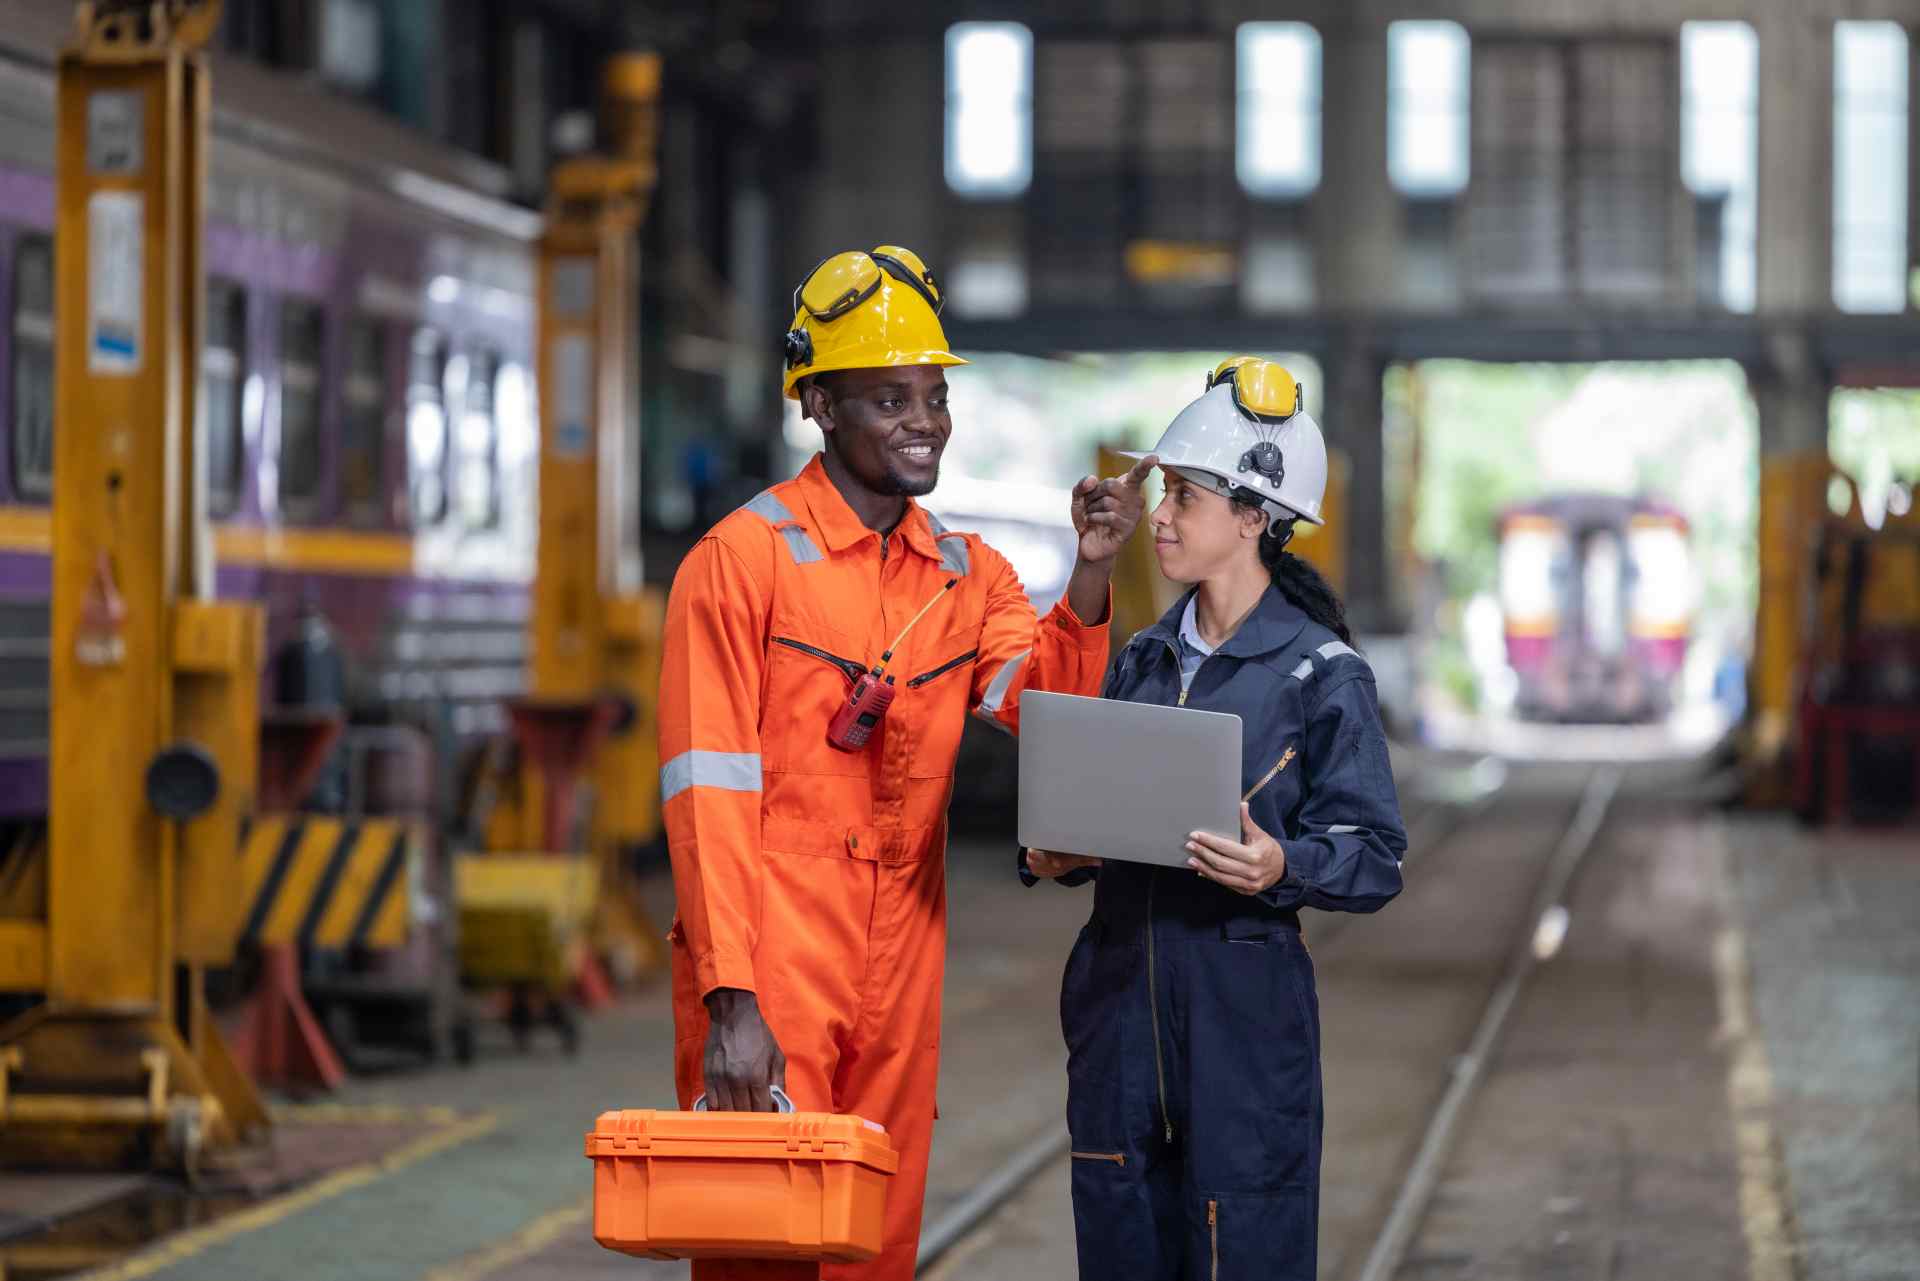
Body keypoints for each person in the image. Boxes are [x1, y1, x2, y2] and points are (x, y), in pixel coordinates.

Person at [658, 244, 1155, 1280]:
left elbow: (1047, 713)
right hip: (774, 952)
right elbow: (706, 798)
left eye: (932, 396)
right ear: (821, 409)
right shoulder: (739, 565)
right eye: (889, 399)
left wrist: (1095, 574)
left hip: (904, 950)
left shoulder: (970, 578)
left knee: (878, 1245)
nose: (924, 420)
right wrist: (732, 1004)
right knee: (768, 1251)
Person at [1024, 357, 1407, 1281]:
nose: (1160, 514)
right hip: (1121, 1009)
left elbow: (1376, 854)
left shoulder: (1323, 675)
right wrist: (1062, 848)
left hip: (1241, 1014)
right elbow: (1088, 822)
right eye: (1165, 492)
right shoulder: (1144, 660)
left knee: (1247, 1244)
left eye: (1184, 496)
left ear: (1252, 516)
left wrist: (1285, 866)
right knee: (1120, 1239)